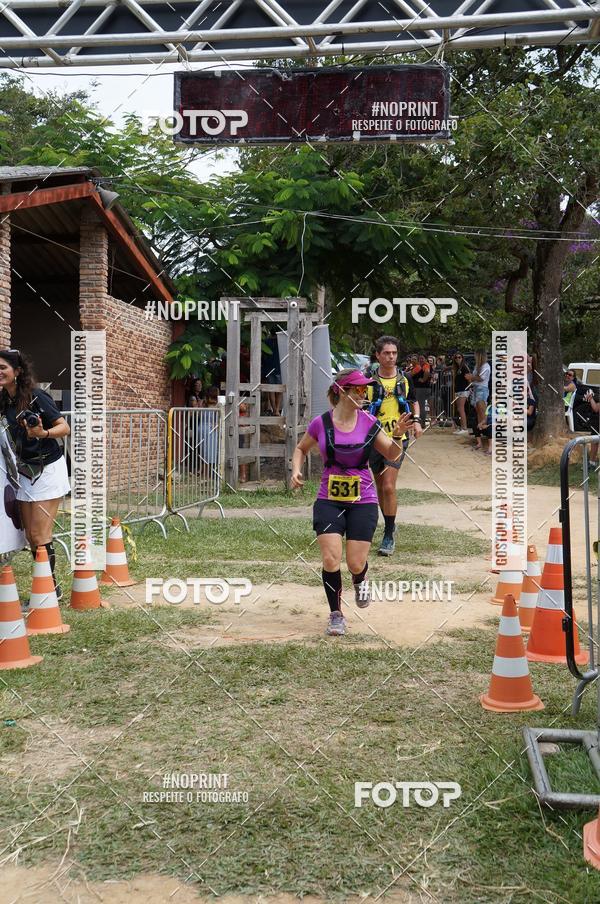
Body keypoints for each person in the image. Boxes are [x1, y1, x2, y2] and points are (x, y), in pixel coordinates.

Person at [290, 369, 413, 636]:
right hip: (328, 500)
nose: (364, 393)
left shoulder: (369, 421)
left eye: (365, 389)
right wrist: (295, 470)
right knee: (330, 558)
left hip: (364, 500)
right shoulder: (321, 423)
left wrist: (399, 435)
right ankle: (336, 614)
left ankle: (360, 579)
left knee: (355, 563)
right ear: (342, 391)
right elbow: (301, 448)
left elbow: (391, 453)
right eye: (358, 389)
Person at [0, 350, 70, 599]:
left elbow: (64, 427)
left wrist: (42, 434)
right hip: (23, 472)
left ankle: (49, 591)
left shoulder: (36, 396)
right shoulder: (3, 400)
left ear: (17, 371)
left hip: (47, 470)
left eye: (3, 367)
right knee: (30, 536)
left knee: (40, 534)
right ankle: (48, 587)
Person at [365, 336, 422, 556]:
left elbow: (414, 400)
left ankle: (388, 534)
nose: (391, 357)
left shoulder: (404, 378)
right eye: (386, 353)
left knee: (388, 485)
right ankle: (390, 524)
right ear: (378, 355)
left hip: (397, 438)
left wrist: (416, 421)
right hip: (373, 438)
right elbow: (357, 403)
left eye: (394, 353)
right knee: (380, 486)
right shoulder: (367, 379)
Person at [465, 350, 491, 451]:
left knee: (484, 417)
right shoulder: (477, 366)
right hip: (476, 389)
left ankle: (490, 445)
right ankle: (480, 443)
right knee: (478, 417)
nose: (475, 357)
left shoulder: (486, 366)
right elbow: (475, 378)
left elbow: (480, 378)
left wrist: (471, 377)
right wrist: (471, 378)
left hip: (481, 389)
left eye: (476, 355)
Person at [452, 352, 471, 434]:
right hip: (458, 390)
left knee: (461, 409)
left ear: (462, 358)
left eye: (459, 357)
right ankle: (462, 427)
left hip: (463, 390)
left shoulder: (464, 367)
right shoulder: (457, 368)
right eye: (456, 357)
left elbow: (469, 379)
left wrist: (469, 388)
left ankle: (464, 428)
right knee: (459, 409)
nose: (457, 359)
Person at [410, 355, 432, 428]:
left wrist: (423, 379)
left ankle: (422, 423)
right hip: (421, 388)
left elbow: (427, 372)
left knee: (421, 406)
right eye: (420, 359)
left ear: (425, 359)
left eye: (422, 358)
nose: (421, 360)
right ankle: (421, 422)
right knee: (420, 406)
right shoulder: (421, 366)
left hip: (422, 389)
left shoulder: (425, 366)